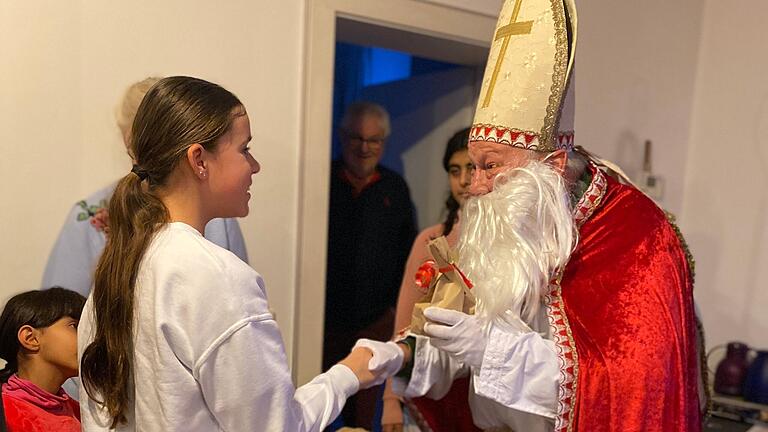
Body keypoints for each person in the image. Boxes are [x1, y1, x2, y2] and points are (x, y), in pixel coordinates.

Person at [360, 0, 706, 431]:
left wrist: (491, 349)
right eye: (473, 166)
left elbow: (628, 385)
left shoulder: (635, 236)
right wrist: (407, 358)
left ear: (554, 167)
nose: (476, 186)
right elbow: (465, 351)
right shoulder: (506, 225)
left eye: (491, 167)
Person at [77, 76, 399, 431]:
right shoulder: (216, 277)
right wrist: (346, 375)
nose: (255, 165)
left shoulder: (114, 274)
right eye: (244, 148)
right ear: (199, 160)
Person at [41, 77, 248, 297]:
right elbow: (54, 319)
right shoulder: (89, 218)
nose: (254, 166)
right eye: (244, 149)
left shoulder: (218, 215)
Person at [324, 101, 417, 428]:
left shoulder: (396, 188)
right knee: (324, 406)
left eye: (373, 140)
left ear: (384, 143)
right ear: (341, 136)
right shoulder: (322, 182)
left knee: (366, 415)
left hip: (377, 322)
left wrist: (395, 313)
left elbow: (409, 256)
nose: (364, 148)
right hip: (326, 324)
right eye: (356, 138)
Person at [381, 127, 480, 432]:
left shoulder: (508, 245)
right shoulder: (431, 240)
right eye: (455, 170)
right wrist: (390, 399)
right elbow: (405, 323)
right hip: (427, 390)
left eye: (472, 168)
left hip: (482, 391)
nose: (463, 180)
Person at [0, 287, 85, 432]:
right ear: (30, 338)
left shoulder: (81, 413)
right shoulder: (7, 413)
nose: (87, 336)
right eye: (75, 326)